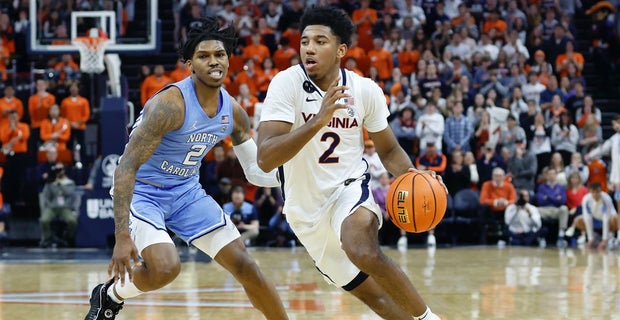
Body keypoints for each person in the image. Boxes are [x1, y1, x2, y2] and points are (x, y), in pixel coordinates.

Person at [84, 18, 288, 320]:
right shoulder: (170, 105)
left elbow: (256, 173)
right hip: (144, 192)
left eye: (219, 54)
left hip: (186, 192)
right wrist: (122, 236)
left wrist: (293, 173)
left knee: (246, 266)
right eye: (204, 56)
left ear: (229, 59)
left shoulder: (232, 112)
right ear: (190, 64)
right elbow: (125, 167)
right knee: (166, 267)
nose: (213, 61)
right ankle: (110, 295)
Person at [257, 7, 444, 320]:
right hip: (304, 214)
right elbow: (265, 157)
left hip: (349, 190)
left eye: (320, 41)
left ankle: (430, 319)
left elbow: (388, 149)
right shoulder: (286, 84)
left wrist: (415, 178)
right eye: (304, 41)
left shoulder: (364, 89)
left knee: (361, 249)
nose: (309, 48)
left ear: (341, 49)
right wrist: (318, 121)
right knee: (380, 303)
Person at [585, 114, 620, 242]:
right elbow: (602, 149)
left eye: (617, 122)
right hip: (618, 179)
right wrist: (590, 155)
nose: (616, 126)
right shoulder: (614, 139)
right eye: (614, 124)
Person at [39, 163, 78, 247]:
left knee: (72, 221)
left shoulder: (69, 182)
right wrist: (53, 182)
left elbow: (70, 194)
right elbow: (46, 196)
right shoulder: (50, 183)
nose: (59, 172)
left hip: (65, 207)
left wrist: (60, 184)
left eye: (60, 169)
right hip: (52, 207)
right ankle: (47, 239)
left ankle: (67, 237)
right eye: (57, 170)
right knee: (44, 220)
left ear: (64, 170)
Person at [572, 183, 618, 250]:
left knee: (616, 218)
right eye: (593, 192)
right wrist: (590, 239)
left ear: (601, 191)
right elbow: (587, 218)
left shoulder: (606, 199)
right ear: (590, 192)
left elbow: (606, 218)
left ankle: (610, 236)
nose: (595, 194)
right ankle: (594, 236)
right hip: (595, 221)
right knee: (578, 220)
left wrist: (604, 240)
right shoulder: (586, 199)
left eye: (597, 192)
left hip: (608, 221)